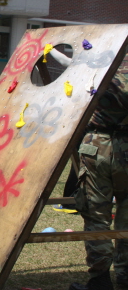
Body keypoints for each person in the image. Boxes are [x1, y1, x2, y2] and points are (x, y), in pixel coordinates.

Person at [69, 58, 128, 290]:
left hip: (98, 145)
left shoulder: (103, 62)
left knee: (97, 214)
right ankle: (125, 276)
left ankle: (101, 279)